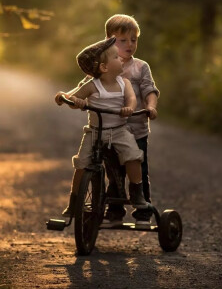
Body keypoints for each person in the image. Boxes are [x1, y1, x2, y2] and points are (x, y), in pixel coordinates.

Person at [55, 14, 159, 226]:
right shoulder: (101, 67)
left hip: (135, 127)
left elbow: (149, 89)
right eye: (123, 40)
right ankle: (114, 212)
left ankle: (142, 212)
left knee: (138, 166)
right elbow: (82, 88)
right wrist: (67, 96)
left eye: (133, 39)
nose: (129, 44)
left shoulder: (140, 67)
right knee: (114, 173)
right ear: (109, 41)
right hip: (105, 127)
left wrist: (150, 107)